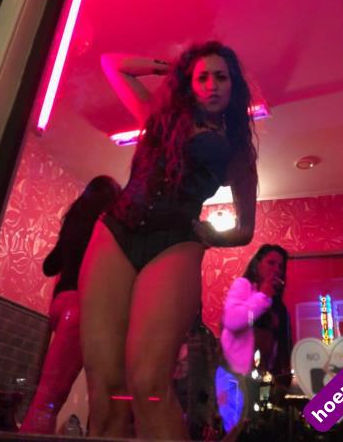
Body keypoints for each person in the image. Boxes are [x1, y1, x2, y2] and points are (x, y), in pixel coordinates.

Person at [78, 41, 258, 439]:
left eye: (221, 77)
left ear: (233, 85)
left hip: (175, 242)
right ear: (189, 83)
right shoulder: (160, 117)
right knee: (104, 390)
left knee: (148, 384)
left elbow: (246, 229)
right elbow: (113, 63)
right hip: (116, 231)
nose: (211, 85)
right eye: (202, 77)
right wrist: (170, 66)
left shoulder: (237, 150)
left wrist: (214, 236)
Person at [19, 175, 121, 434]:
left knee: (49, 391)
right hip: (81, 307)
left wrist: (69, 250)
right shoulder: (106, 226)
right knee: (52, 398)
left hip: (61, 304)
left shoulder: (74, 223)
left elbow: (49, 266)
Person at [217, 245, 292, 434]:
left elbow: (279, 344)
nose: (276, 269)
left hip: (261, 379)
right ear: (257, 264)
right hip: (234, 376)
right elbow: (233, 321)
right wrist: (263, 295)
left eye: (281, 266)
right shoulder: (244, 285)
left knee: (258, 429)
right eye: (271, 263)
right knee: (234, 431)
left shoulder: (277, 304)